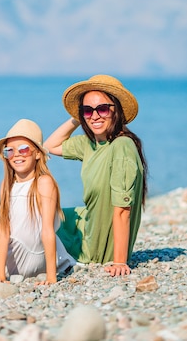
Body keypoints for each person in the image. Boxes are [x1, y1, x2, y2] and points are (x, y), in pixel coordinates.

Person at [44, 75, 148, 277]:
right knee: (42, 214)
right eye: (87, 110)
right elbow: (49, 146)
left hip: (96, 245)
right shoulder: (90, 144)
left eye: (102, 109)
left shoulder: (122, 146)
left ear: (115, 110)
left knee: (37, 229)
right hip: (88, 221)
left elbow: (122, 210)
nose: (95, 116)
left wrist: (119, 261)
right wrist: (78, 116)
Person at [0, 119, 76, 284]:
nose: (17, 155)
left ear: (37, 154)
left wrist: (51, 277)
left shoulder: (44, 182)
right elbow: (2, 231)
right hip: (13, 248)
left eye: (23, 149)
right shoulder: (7, 185)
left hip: (32, 258)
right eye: (10, 151)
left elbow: (47, 230)